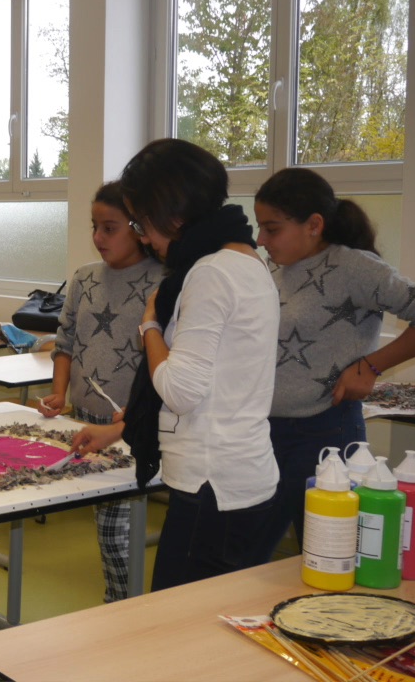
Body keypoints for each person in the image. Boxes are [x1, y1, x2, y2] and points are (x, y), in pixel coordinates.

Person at [70, 138, 280, 591]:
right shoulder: (249, 262)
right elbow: (223, 382)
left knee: (181, 631)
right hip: (242, 476)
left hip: (212, 485)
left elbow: (182, 391)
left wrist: (150, 326)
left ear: (174, 215)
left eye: (143, 223)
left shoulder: (209, 273)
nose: (145, 237)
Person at [252, 167, 415, 556]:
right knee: (248, 557)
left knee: (331, 555)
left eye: (272, 228)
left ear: (314, 224)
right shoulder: (274, 268)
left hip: (324, 433)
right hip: (265, 432)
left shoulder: (353, 267)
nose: (261, 239)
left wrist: (371, 366)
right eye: (260, 228)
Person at [38, 182, 163, 603]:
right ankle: (121, 604)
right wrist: (59, 394)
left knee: (115, 530)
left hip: (131, 426)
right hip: (86, 421)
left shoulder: (165, 281)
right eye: (95, 227)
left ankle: (121, 608)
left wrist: (131, 424)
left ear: (139, 228)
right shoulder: (84, 278)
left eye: (110, 228)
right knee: (108, 527)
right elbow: (66, 340)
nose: (98, 237)